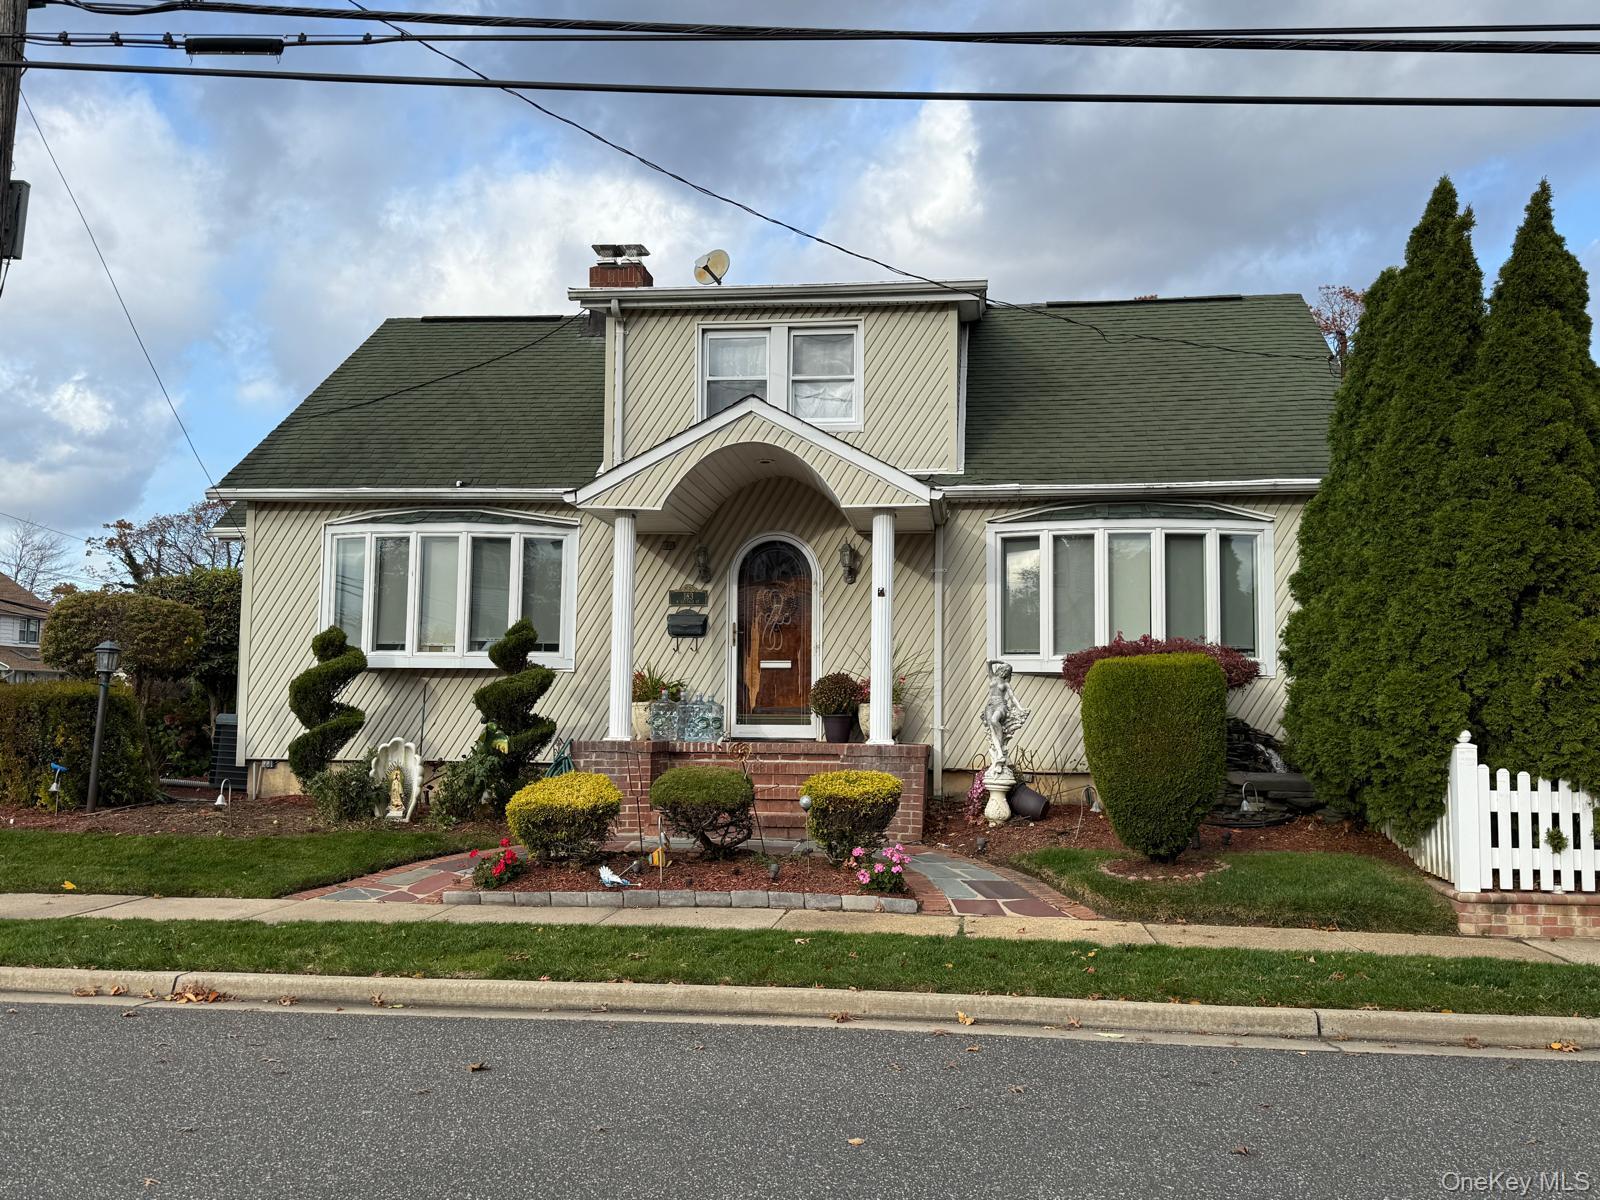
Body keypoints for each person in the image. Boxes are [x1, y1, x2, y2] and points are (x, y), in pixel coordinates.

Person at [980, 660, 1030, 774]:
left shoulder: (1006, 684)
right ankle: (1000, 755)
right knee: (992, 730)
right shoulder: (992, 677)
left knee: (994, 720)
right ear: (1000, 669)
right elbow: (988, 662)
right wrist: (1000, 661)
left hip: (1000, 705)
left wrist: (1020, 708)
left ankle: (1000, 753)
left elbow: (1012, 697)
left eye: (1007, 671)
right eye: (1004, 669)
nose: (1005, 672)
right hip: (989, 706)